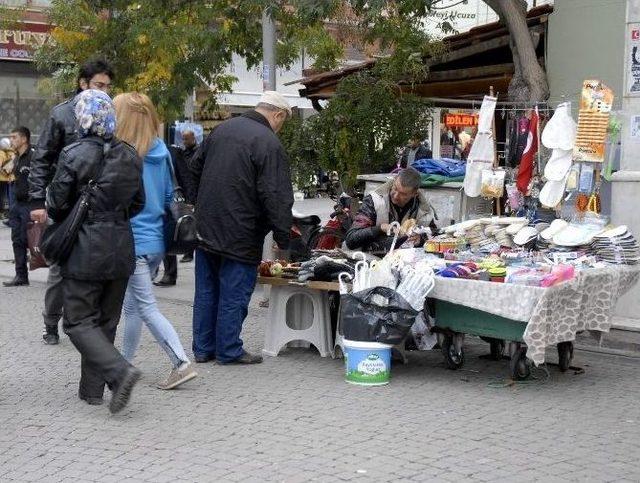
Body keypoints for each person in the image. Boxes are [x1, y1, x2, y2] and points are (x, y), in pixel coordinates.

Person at [46, 89, 144, 413]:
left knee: (76, 321)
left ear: (82, 118)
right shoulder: (130, 154)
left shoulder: (73, 154)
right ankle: (92, 392)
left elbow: (58, 206)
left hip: (85, 249)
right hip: (120, 247)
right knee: (105, 321)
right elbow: (139, 203)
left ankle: (120, 372)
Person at [190, 91, 294, 365]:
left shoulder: (222, 130)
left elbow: (194, 168)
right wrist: (283, 236)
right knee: (233, 292)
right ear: (278, 114)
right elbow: (276, 195)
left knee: (206, 290)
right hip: (242, 231)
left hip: (207, 226)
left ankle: (202, 348)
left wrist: (200, 204)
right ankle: (228, 349)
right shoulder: (268, 143)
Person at [114, 92, 197, 390]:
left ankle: (180, 362)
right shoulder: (161, 151)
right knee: (133, 307)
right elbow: (165, 198)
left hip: (133, 241)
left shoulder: (121, 153)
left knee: (145, 307)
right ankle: (123, 364)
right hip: (156, 242)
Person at [29, 58, 115, 346]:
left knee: (91, 266)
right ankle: (51, 322)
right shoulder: (62, 114)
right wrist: (37, 201)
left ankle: (81, 321)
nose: (105, 91)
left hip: (96, 204)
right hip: (63, 202)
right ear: (83, 83)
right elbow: (42, 159)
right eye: (99, 85)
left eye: (108, 86)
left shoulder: (108, 113)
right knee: (58, 267)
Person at [345, 167, 437, 253]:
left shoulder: (424, 209)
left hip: (408, 263)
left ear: (415, 194)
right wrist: (380, 228)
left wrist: (421, 239)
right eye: (395, 188)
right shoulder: (374, 201)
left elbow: (435, 237)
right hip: (373, 260)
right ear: (393, 181)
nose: (396, 196)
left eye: (403, 194)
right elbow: (351, 240)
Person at [154, 129, 200, 287]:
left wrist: (190, 200)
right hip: (153, 201)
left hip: (171, 201)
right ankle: (153, 270)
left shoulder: (172, 152)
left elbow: (185, 176)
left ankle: (170, 273)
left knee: (169, 235)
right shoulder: (139, 151)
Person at [4, 127, 34, 287]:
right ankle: (21, 275)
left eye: (14, 137)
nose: (12, 140)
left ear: (24, 139)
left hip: (30, 204)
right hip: (17, 203)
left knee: (35, 240)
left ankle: (56, 274)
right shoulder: (16, 157)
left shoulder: (34, 156)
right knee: (17, 240)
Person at [0, 137, 15, 222]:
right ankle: (9, 213)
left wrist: (4, 172)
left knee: (2, 196)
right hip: (10, 178)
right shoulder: (13, 153)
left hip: (2, 178)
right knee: (10, 197)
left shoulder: (1, 153)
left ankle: (3, 213)